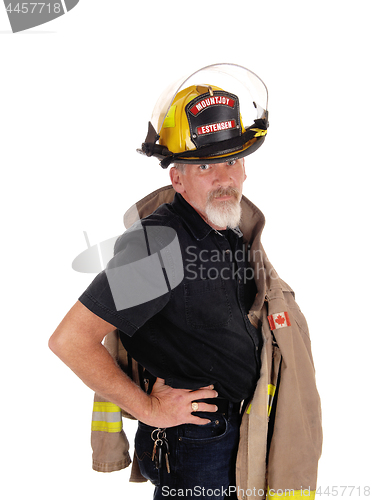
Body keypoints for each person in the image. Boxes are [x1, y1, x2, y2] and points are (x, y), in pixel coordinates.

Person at [49, 64, 322, 500]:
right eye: (205, 166)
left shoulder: (225, 227)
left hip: (233, 436)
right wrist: (150, 409)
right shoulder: (160, 246)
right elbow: (70, 340)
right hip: (198, 449)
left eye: (232, 161)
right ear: (176, 178)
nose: (225, 177)